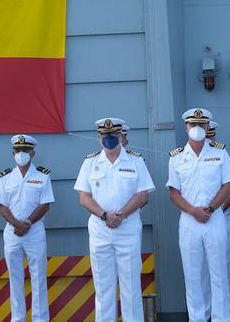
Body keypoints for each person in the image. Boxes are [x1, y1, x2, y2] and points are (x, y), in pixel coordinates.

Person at [75, 117, 154, 322]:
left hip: (127, 229)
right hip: (100, 232)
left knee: (131, 287)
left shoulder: (136, 161)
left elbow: (143, 195)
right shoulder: (90, 162)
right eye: (105, 135)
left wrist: (121, 215)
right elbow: (84, 197)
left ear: (121, 136)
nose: (109, 138)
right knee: (103, 288)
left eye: (113, 135)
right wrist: (104, 216)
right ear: (99, 137)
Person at [167, 108, 230, 322]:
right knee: (193, 275)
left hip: (214, 219)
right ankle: (197, 318)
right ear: (187, 127)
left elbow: (228, 186)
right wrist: (193, 211)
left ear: (208, 127)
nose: (197, 128)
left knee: (220, 275)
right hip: (189, 222)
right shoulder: (176, 157)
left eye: (202, 125)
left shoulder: (220, 153)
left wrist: (209, 209)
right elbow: (173, 192)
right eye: (193, 125)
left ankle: (222, 318)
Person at [0, 134, 55, 322]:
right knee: (15, 279)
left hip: (35, 231)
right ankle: (18, 318)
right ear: (13, 152)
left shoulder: (42, 176)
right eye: (18, 150)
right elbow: (1, 206)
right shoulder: (5, 177)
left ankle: (40, 319)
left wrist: (27, 223)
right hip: (12, 233)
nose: (21, 153)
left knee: (38, 278)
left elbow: (45, 204)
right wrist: (16, 224)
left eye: (26, 150)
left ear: (33, 153)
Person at [200, 120, 230, 322]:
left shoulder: (224, 158)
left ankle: (228, 315)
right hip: (198, 221)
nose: (209, 140)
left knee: (224, 270)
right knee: (202, 272)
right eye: (206, 136)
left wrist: (214, 211)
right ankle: (205, 314)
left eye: (211, 136)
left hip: (220, 219)